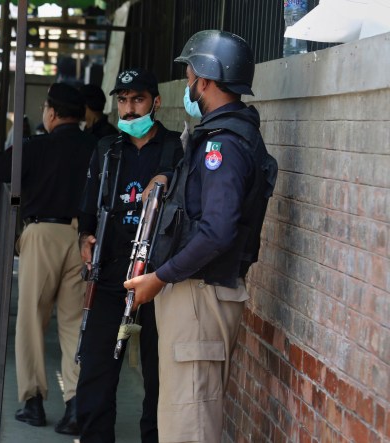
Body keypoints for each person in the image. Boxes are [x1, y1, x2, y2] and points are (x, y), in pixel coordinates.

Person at [123, 30, 277, 443]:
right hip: (194, 293)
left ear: (205, 80)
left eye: (190, 74)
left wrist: (160, 278)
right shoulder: (221, 136)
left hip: (198, 295)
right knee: (180, 417)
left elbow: (217, 231)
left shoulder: (223, 145)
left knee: (188, 426)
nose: (189, 83)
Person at [75, 68, 184, 443]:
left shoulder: (175, 148)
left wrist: (167, 181)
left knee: (158, 378)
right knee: (96, 374)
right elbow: (90, 206)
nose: (130, 108)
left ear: (156, 101)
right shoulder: (108, 148)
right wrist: (84, 237)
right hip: (110, 274)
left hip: (159, 279)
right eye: (122, 100)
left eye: (137, 99)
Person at [0, 83, 96, 435]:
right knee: (74, 323)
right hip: (82, 238)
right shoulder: (97, 148)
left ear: (50, 112)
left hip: (41, 233)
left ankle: (33, 403)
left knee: (31, 318)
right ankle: (75, 405)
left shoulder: (37, 146)